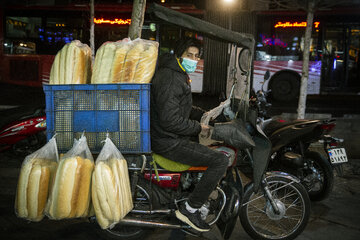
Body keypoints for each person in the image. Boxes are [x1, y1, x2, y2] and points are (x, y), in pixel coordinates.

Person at [150, 39, 228, 232]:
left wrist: (203, 114)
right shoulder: (171, 78)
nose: (194, 60)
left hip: (169, 137)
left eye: (197, 56)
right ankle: (190, 208)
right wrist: (197, 128)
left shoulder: (178, 74)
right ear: (179, 55)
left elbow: (180, 106)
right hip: (167, 141)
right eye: (189, 55)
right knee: (219, 161)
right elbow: (170, 120)